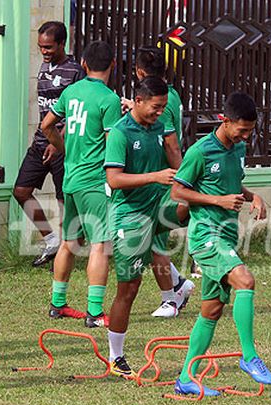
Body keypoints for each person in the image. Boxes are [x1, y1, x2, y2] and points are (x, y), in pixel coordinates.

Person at [171, 92, 271, 396]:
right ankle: (249, 356)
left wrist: (251, 195)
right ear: (224, 121)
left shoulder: (238, 148)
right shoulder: (200, 152)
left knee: (212, 309)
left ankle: (185, 379)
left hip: (227, 235)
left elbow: (232, 184)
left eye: (250, 130)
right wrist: (216, 200)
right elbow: (178, 192)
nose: (246, 135)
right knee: (246, 280)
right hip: (205, 236)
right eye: (241, 130)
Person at [104, 77, 189, 376]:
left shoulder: (158, 125)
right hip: (131, 215)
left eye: (164, 107)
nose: (160, 113)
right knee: (129, 286)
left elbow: (175, 158)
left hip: (158, 207)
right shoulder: (120, 132)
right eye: (156, 107)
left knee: (194, 207)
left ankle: (188, 282)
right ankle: (116, 357)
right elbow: (114, 180)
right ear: (138, 101)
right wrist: (155, 176)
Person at [41, 40, 122, 327]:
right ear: (112, 65)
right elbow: (113, 146)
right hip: (95, 181)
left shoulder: (71, 91)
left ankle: (58, 304)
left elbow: (46, 125)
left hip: (71, 178)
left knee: (69, 241)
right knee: (100, 245)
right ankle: (95, 312)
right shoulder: (110, 100)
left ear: (84, 64)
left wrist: (64, 149)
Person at [123, 45, 194, 318]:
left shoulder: (158, 105)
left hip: (160, 177)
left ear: (139, 71)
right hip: (160, 176)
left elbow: (172, 144)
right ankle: (177, 284)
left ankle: (171, 298)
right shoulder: (172, 94)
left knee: (153, 241)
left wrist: (182, 180)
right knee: (153, 239)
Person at [13, 21, 84, 267]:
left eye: (49, 47)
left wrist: (58, 140)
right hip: (40, 142)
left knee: (63, 200)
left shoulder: (75, 71)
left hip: (62, 145)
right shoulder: (45, 66)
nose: (44, 51)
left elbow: (74, 112)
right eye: (41, 47)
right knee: (21, 191)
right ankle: (52, 240)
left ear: (62, 43)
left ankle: (66, 255)